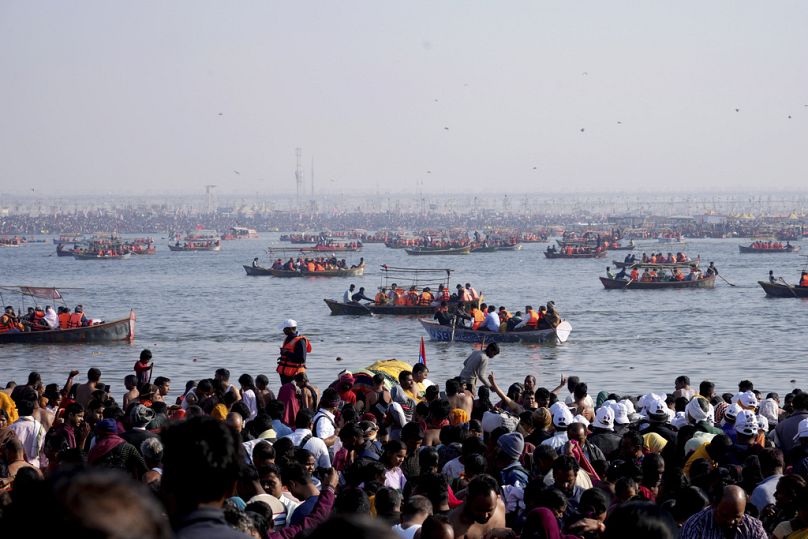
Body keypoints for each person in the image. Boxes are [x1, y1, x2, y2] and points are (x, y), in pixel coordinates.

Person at [680, 484, 766, 539]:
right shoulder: (695, 526)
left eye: (737, 516)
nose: (730, 521)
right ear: (714, 505)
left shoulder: (754, 527)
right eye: (725, 515)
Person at [448, 474, 506, 539]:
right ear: (468, 500)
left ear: (497, 498)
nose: (485, 515)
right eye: (479, 510)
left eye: (489, 510)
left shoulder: (500, 507)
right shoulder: (455, 523)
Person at [276, 319, 312, 385]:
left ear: (289, 329)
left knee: (294, 393)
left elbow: (301, 359)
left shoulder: (300, 341)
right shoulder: (288, 338)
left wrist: (286, 353)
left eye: (284, 329)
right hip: (286, 373)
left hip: (295, 375)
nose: (283, 330)